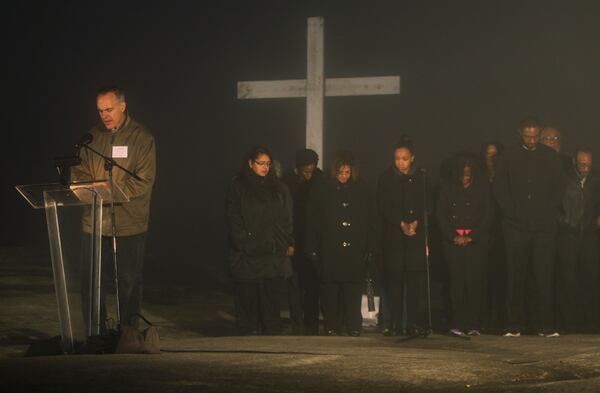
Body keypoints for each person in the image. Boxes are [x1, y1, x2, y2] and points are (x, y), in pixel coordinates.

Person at [71, 86, 156, 330]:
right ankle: (95, 332)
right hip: (95, 223)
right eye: (100, 111)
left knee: (128, 281)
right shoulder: (91, 137)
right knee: (91, 281)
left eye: (109, 109)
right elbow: (79, 169)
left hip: (129, 223)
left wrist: (113, 193)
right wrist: (85, 186)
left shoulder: (142, 138)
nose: (104, 115)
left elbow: (144, 179)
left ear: (123, 105)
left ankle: (128, 333)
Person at [493, 118, 563, 337]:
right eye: (527, 136)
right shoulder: (507, 156)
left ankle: (544, 325)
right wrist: (513, 213)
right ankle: (514, 325)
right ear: (520, 133)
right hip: (515, 226)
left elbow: (558, 189)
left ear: (539, 133)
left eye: (535, 136)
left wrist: (546, 214)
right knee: (516, 276)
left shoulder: (551, 156)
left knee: (543, 275)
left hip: (544, 227)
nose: (531, 140)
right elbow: (500, 190)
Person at [306, 150, 378, 336]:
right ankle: (332, 325)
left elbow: (371, 221)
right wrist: (312, 248)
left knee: (352, 290)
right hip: (330, 249)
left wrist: (370, 247)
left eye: (347, 172)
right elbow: (313, 220)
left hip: (355, 249)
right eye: (340, 173)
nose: (344, 177)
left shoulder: (362, 189)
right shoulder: (323, 188)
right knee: (330, 291)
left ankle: (353, 325)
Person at [226, 146, 294, 335]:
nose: (265, 167)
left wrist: (286, 242)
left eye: (268, 164)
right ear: (250, 163)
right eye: (260, 163)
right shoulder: (238, 187)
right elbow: (234, 219)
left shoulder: (279, 189)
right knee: (247, 308)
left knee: (271, 310)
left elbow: (287, 219)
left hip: (272, 256)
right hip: (246, 257)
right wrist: (244, 244)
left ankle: (271, 347)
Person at [377, 137, 431, 336]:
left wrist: (416, 221)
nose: (400, 162)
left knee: (414, 283)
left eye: (405, 159)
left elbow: (426, 204)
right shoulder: (386, 178)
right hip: (394, 237)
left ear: (412, 158)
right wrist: (400, 222)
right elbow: (383, 206)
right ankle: (395, 323)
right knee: (395, 283)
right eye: (397, 158)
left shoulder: (421, 177)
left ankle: (412, 323)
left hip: (415, 236)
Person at [437, 155, 493, 336]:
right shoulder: (446, 190)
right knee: (456, 283)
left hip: (476, 243)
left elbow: (487, 216)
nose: (465, 177)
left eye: (468, 174)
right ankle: (457, 323)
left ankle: (474, 323)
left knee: (474, 283)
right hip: (452, 243)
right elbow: (441, 216)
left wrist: (472, 237)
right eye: (462, 174)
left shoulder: (483, 190)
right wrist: (453, 236)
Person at [556, 148, 600, 333]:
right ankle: (568, 323)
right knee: (567, 279)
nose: (585, 168)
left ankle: (591, 322)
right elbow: (555, 203)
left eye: (589, 165)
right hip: (568, 234)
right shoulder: (564, 179)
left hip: (589, 235)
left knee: (591, 277)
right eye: (582, 164)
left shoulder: (596, 180)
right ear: (575, 161)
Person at [282, 148, 323, 335]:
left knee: (313, 286)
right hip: (294, 242)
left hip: (313, 243)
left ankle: (311, 323)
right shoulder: (288, 183)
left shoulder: (320, 181)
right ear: (298, 168)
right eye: (305, 170)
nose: (309, 173)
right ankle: (298, 323)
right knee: (295, 286)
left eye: (311, 169)